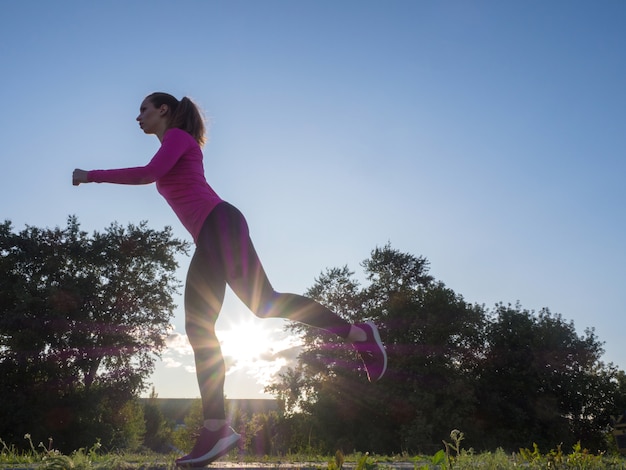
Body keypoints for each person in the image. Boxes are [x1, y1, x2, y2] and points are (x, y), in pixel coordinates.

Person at [72, 92, 387, 467]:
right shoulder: (174, 143)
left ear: (164, 110)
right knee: (262, 304)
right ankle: (356, 334)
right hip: (218, 228)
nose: (137, 117)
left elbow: (148, 174)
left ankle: (216, 426)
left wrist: (92, 176)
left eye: (143, 109)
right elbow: (157, 173)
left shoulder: (176, 137)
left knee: (200, 324)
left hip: (218, 225)